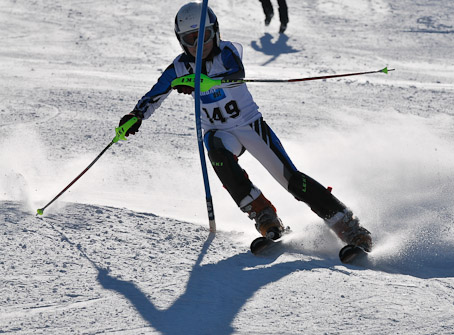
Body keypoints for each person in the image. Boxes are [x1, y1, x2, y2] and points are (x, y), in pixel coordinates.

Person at [118, 2, 372, 253]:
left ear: (215, 32)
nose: (198, 46)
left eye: (204, 36)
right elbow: (155, 94)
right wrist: (135, 115)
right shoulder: (178, 67)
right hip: (220, 132)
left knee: (292, 180)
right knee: (217, 152)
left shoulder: (228, 52)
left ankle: (349, 227)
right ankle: (263, 214)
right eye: (190, 39)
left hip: (250, 126)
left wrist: (199, 82)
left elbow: (235, 72)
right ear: (180, 40)